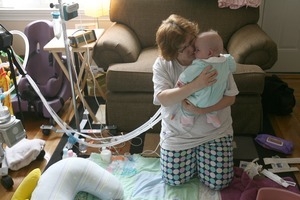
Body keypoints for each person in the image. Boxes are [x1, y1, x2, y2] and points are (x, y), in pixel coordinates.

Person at [152, 14, 239, 190]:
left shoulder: (216, 60)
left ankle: (205, 157)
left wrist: (203, 111)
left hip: (214, 132)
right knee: (174, 180)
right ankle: (197, 160)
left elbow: (231, 97)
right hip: (178, 134)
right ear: (173, 52)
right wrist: (196, 85)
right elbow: (162, 98)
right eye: (185, 47)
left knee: (219, 182)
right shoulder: (163, 65)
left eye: (193, 40)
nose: (194, 48)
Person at [175, 30, 236, 128]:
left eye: (197, 50)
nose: (194, 51)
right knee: (216, 95)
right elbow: (233, 67)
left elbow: (187, 74)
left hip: (199, 101)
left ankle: (188, 118)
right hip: (216, 100)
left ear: (209, 53)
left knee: (187, 103)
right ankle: (212, 116)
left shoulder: (201, 64)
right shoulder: (226, 61)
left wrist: (181, 81)